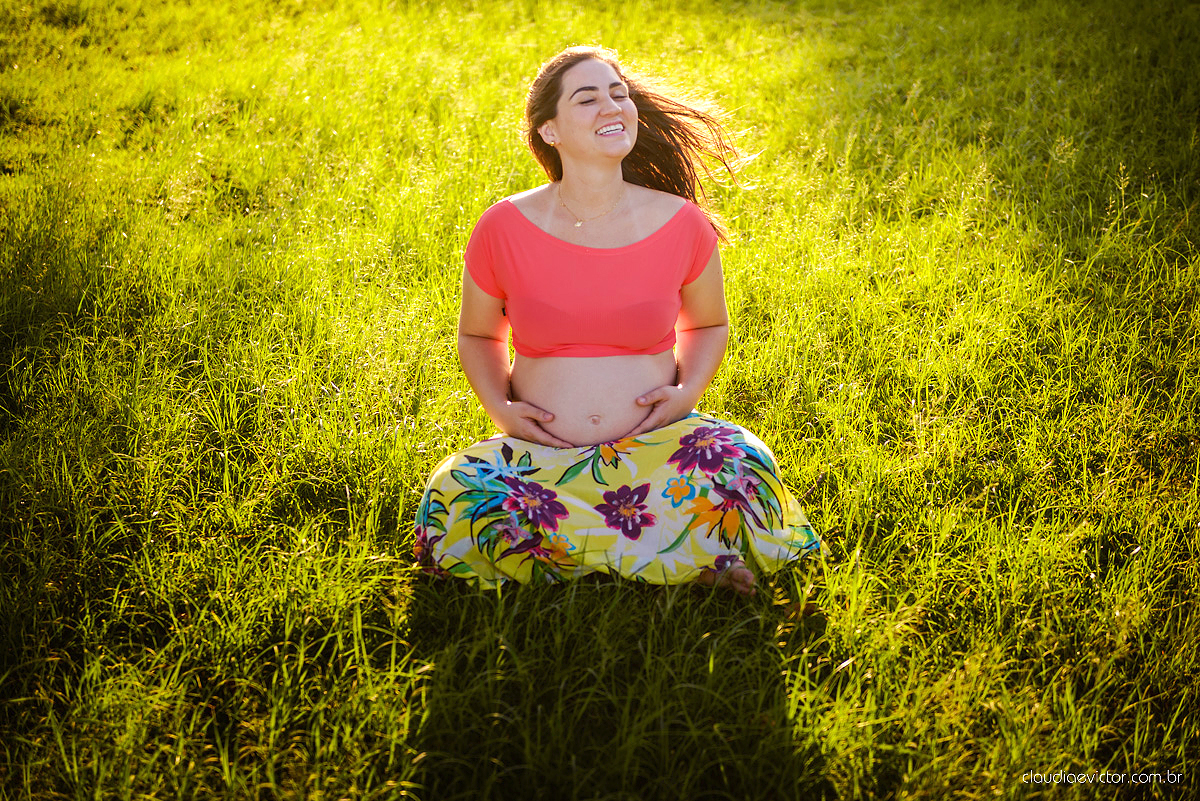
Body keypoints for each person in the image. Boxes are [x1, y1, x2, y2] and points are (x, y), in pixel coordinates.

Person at [413, 46, 818, 595]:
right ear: (549, 131)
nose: (612, 106)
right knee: (458, 489)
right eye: (588, 97)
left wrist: (687, 392)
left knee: (738, 462)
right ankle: (672, 559)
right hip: (542, 459)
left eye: (618, 94)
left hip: (656, 450)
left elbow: (706, 326)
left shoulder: (681, 223)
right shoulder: (503, 226)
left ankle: (581, 558)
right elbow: (479, 333)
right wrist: (501, 410)